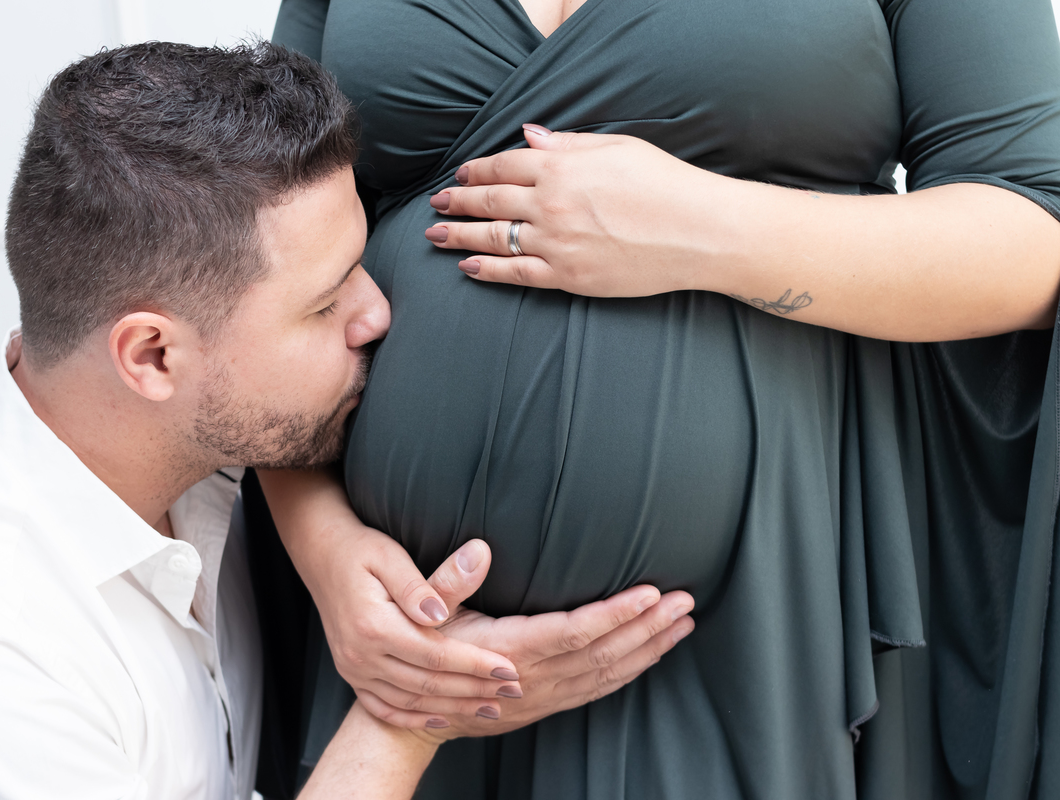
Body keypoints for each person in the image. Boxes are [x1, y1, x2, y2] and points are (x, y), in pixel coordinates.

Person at [256, 0, 1060, 797]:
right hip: (408, 641)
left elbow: (1035, 230)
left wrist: (703, 228)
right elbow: (251, 264)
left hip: (753, 610)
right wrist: (329, 560)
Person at [0, 41, 696, 799]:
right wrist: (415, 713)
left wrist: (328, 543)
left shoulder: (157, 431)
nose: (376, 314)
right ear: (152, 357)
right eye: (326, 302)